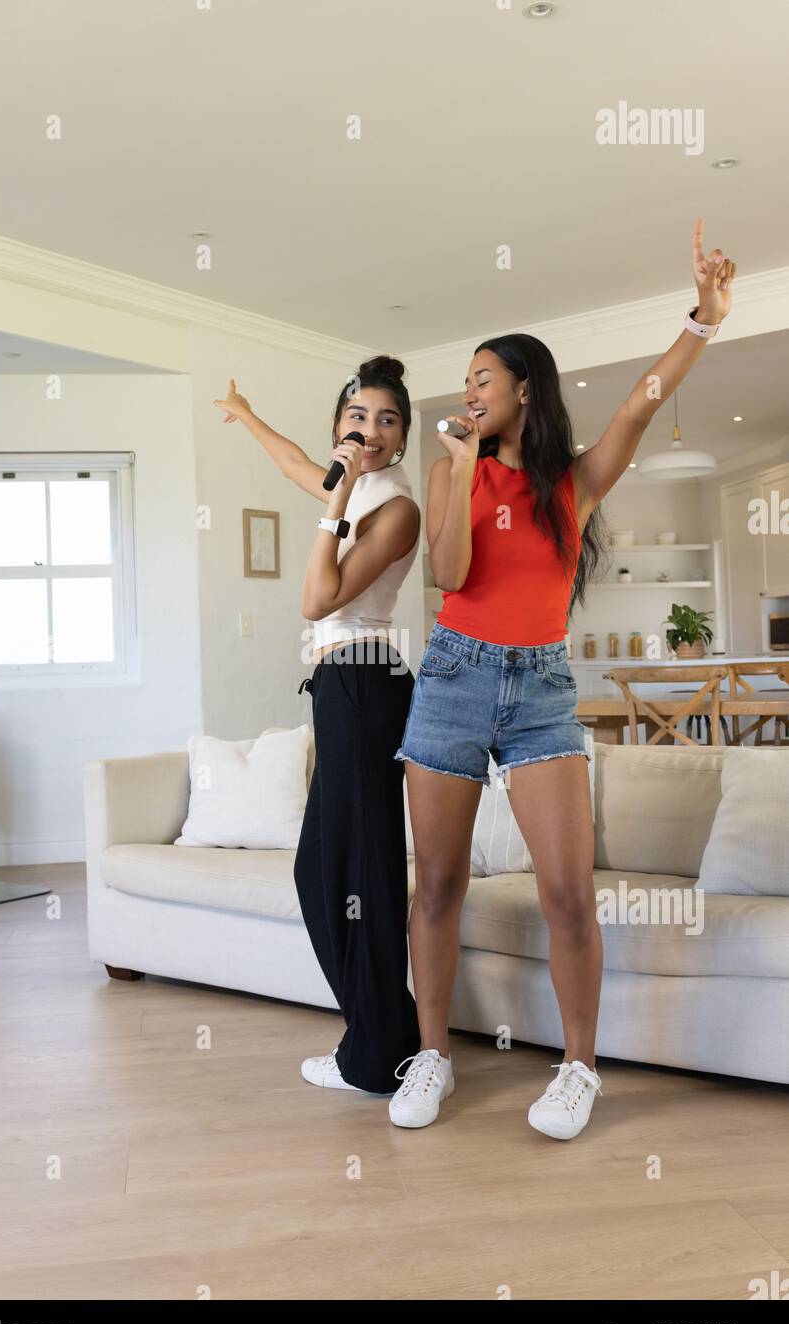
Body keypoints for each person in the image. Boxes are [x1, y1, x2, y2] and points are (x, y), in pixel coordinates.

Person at [389, 220, 736, 1135]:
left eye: (481, 378)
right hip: (453, 677)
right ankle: (431, 1058)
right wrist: (461, 472)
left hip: (541, 687)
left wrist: (701, 320)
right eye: (464, 381)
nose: (467, 391)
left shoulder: (572, 485)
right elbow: (451, 576)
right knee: (435, 884)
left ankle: (579, 1069)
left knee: (567, 893)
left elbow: (635, 404)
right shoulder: (447, 469)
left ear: (521, 390)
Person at [213, 356, 423, 1093]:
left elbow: (316, 596)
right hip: (339, 684)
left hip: (368, 681)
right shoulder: (350, 484)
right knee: (316, 873)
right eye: (357, 416)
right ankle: (383, 1034)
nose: (369, 428)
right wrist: (245, 415)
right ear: (340, 426)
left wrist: (330, 506)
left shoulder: (393, 506)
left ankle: (378, 1056)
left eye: (386, 419)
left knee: (363, 869)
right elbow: (293, 461)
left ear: (399, 440)